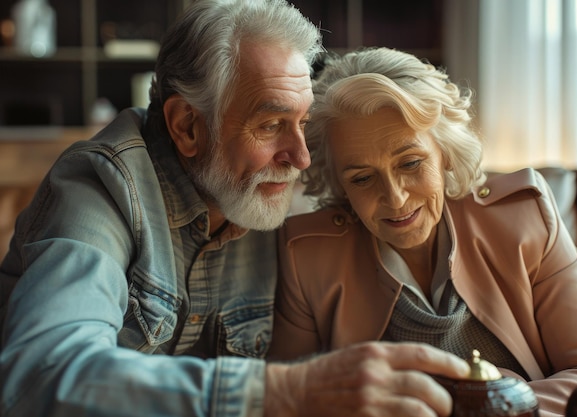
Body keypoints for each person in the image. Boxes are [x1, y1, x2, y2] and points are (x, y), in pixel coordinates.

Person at [0, 2, 472, 417]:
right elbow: (40, 378)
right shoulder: (100, 188)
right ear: (187, 126)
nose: (300, 158)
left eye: (302, 124)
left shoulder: (282, 190)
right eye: (270, 125)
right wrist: (287, 392)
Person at [268, 46, 577, 416]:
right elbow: (293, 403)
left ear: (446, 153)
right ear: (339, 185)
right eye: (362, 178)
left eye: (410, 163)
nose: (395, 197)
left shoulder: (524, 215)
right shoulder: (305, 256)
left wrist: (478, 405)